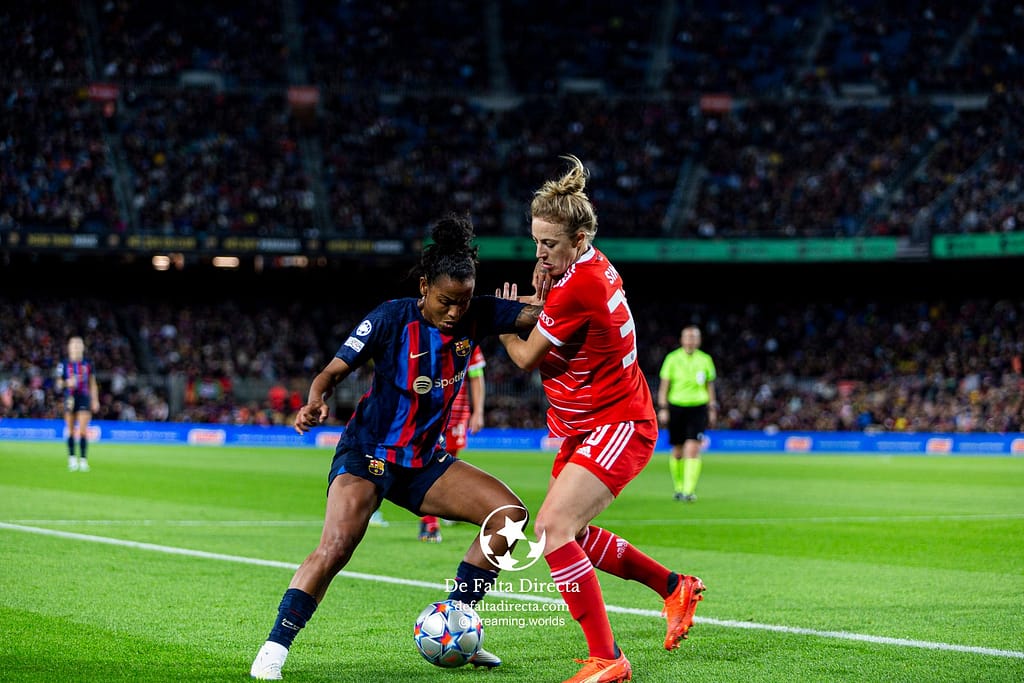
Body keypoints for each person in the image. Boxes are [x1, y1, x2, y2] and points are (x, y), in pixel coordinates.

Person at [249, 213, 547, 680]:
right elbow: (332, 371)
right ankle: (274, 649)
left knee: (508, 517)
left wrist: (551, 291)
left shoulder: (477, 312)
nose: (455, 312)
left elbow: (545, 317)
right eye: (446, 301)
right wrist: (315, 400)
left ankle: (454, 625)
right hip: (368, 453)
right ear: (425, 287)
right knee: (337, 546)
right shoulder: (390, 318)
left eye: (463, 302)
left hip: (424, 463)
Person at [497, 155, 706, 683]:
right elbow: (555, 311)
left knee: (553, 529)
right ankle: (673, 587)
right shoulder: (589, 266)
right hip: (588, 423)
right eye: (536, 241)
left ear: (580, 236)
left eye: (550, 244)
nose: (540, 253)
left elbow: (526, 356)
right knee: (574, 533)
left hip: (616, 422)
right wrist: (541, 293)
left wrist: (498, 321)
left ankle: (608, 659)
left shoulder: (579, 284)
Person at [419, 345, 486, 542]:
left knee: (448, 469)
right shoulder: (425, 338)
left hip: (457, 416)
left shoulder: (469, 341)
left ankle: (443, 510)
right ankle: (429, 523)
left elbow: (476, 375)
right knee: (429, 466)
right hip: (430, 415)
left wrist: (478, 412)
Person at [657, 325, 718, 502]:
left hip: (698, 408)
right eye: (688, 337)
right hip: (676, 406)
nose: (691, 340)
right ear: (682, 340)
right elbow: (664, 386)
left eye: (694, 337)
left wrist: (712, 408)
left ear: (699, 340)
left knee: (692, 449)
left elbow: (709, 386)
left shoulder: (705, 359)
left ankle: (688, 491)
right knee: (677, 451)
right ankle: (678, 487)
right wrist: (663, 408)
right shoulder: (672, 358)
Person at [56, 336, 100, 472]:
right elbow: (58, 383)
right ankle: (72, 458)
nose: (76, 347)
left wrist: (95, 400)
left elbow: (92, 383)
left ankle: (83, 460)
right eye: (73, 345)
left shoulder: (88, 363)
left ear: (82, 347)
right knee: (70, 430)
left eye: (78, 345)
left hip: (84, 398)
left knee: (82, 430)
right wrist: (67, 383)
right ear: (69, 347)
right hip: (69, 398)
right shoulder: (63, 364)